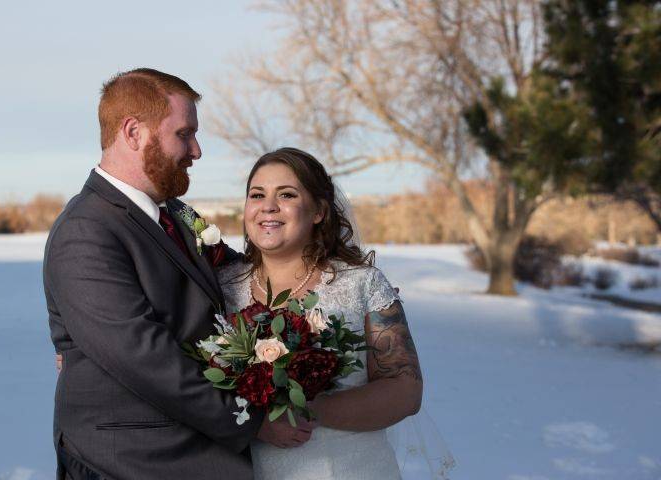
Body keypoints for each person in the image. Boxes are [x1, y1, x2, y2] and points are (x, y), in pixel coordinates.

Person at [43, 69, 311, 480]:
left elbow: (242, 282)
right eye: (184, 134)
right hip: (132, 461)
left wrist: (325, 280)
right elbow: (143, 357)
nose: (197, 150)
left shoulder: (176, 216)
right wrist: (250, 421)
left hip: (192, 451)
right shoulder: (86, 231)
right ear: (133, 133)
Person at [218, 147, 428, 479]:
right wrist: (256, 422)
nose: (268, 206)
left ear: (318, 211)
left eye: (286, 194)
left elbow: (405, 389)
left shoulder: (362, 283)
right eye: (257, 195)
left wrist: (311, 410)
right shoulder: (221, 286)